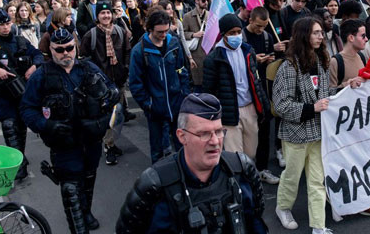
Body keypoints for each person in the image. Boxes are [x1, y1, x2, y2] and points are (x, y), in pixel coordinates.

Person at [115, 93, 268, 234]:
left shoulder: (242, 170)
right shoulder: (154, 186)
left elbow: (256, 220)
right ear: (182, 136)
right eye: (204, 133)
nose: (215, 141)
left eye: (219, 131)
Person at [21, 28, 118, 233]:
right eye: (60, 49)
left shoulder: (88, 68)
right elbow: (27, 109)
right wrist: (46, 125)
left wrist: (105, 105)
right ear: (51, 50)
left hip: (90, 139)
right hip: (63, 143)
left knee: (89, 179)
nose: (66, 53)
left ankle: (86, 211)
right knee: (71, 189)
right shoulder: (42, 76)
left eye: (69, 48)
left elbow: (112, 90)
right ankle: (78, 227)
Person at [273, 17, 353, 234]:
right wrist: (311, 108)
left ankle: (318, 226)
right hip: (296, 134)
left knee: (317, 180)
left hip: (317, 133)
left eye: (320, 32)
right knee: (292, 175)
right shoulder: (288, 67)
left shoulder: (320, 62)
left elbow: (324, 95)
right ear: (304, 35)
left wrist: (345, 87)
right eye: (315, 33)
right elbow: (281, 105)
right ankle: (283, 207)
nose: (320, 36)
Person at [0, 9, 43, 180]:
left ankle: (19, 157)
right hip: (4, 93)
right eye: (1, 25)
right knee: (9, 127)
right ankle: (18, 166)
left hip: (22, 93)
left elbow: (38, 55)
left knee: (20, 129)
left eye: (8, 24)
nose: (5, 27)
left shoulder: (20, 41)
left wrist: (33, 67)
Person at [202, 14, 268, 161]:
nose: (236, 36)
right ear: (224, 35)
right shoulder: (214, 59)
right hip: (229, 112)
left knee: (251, 152)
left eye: (238, 32)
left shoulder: (248, 52)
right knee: (235, 156)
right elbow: (209, 90)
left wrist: (264, 106)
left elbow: (255, 81)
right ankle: (239, 183)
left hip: (250, 109)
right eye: (232, 33)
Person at [129, 10, 191, 163]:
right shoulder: (139, 51)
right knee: (157, 152)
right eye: (160, 32)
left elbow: (182, 70)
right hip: (155, 107)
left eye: (166, 30)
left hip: (177, 104)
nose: (164, 34)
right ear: (149, 29)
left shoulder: (174, 43)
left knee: (182, 147)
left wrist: (184, 95)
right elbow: (135, 83)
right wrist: (148, 104)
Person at [80, 0, 132, 166]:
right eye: (102, 13)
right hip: (101, 85)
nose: (106, 16)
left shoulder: (120, 32)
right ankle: (108, 146)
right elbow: (84, 60)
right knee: (107, 116)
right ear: (98, 16)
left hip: (118, 80)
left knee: (118, 115)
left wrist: (124, 69)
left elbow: (127, 52)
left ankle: (111, 143)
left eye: (108, 13)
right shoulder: (91, 35)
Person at [242, 7, 280, 184]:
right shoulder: (241, 37)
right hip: (246, 90)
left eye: (264, 26)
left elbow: (272, 55)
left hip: (263, 88)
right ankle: (247, 169)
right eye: (258, 26)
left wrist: (268, 59)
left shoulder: (267, 37)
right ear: (250, 20)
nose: (260, 30)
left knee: (264, 130)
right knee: (248, 133)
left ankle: (263, 168)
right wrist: (252, 59)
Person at [184, 0, 209, 92]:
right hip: (196, 55)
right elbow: (183, 34)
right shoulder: (188, 16)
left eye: (207, 0)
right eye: (203, 1)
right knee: (198, 86)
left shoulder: (210, 15)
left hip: (208, 53)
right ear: (196, 1)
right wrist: (194, 34)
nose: (206, 3)